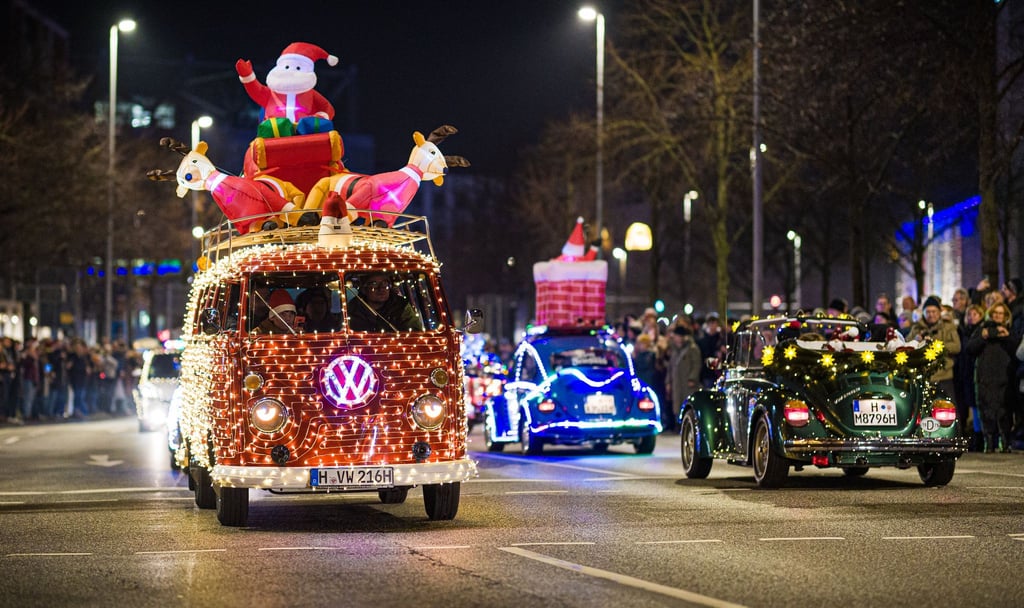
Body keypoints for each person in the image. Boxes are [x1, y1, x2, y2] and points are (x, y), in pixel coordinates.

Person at [966, 302, 1017, 452]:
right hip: (985, 378)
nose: (997, 316)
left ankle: (1005, 442)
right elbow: (970, 348)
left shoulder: (1009, 332)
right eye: (995, 313)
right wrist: (984, 336)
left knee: (1005, 411)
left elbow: (1017, 350)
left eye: (1000, 314)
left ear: (1006, 316)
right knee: (986, 411)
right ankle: (989, 442)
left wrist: (1007, 337)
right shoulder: (982, 330)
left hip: (1005, 378)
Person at [910, 296, 961, 403]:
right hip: (923, 376)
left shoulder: (948, 327)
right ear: (923, 313)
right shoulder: (917, 328)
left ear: (939, 312)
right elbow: (906, 346)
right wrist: (915, 340)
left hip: (944, 376)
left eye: (934, 311)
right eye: (928, 312)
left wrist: (936, 345)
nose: (931, 314)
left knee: (948, 410)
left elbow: (956, 347)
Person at [347, 272, 423, 332]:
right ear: (364, 289)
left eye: (385, 283)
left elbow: (416, 332)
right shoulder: (352, 309)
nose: (381, 288)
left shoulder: (401, 305)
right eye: (374, 284)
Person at [955, 304, 985, 449]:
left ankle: (979, 437)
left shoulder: (980, 331)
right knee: (971, 406)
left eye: (975, 314)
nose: (972, 317)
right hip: (966, 373)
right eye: (969, 314)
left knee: (977, 406)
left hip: (977, 372)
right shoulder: (964, 332)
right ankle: (974, 434)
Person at [666, 325, 702, 432]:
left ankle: (687, 426)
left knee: (687, 403)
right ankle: (678, 425)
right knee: (677, 403)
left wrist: (692, 378)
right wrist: (668, 382)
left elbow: (696, 364)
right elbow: (670, 367)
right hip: (677, 382)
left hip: (687, 382)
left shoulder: (692, 348)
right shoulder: (675, 350)